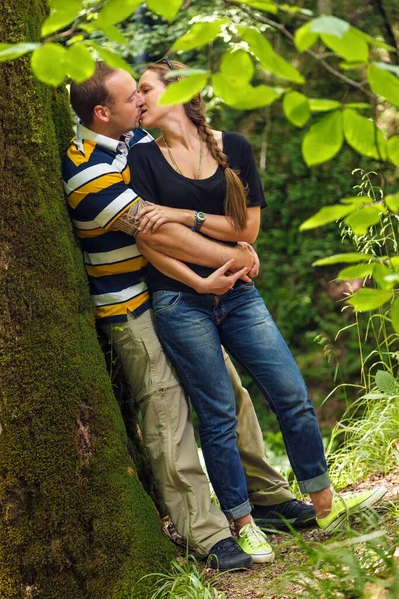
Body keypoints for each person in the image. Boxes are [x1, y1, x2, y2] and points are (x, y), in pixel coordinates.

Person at [123, 59, 387, 559]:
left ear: (179, 92)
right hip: (180, 299)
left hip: (240, 295)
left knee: (291, 394)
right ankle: (245, 523)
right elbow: (150, 240)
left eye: (144, 90)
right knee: (218, 415)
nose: (137, 100)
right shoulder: (143, 159)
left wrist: (185, 214)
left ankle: (325, 504)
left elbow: (247, 233)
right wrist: (201, 275)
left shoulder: (234, 148)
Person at [62, 61, 320, 572]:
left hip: (175, 291)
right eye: (129, 96)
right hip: (131, 305)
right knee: (167, 416)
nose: (140, 101)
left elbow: (182, 201)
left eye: (142, 92)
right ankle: (205, 532)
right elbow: (158, 232)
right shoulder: (86, 169)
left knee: (228, 394)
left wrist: (231, 245)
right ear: (101, 111)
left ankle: (265, 496)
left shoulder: (132, 143)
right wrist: (238, 256)